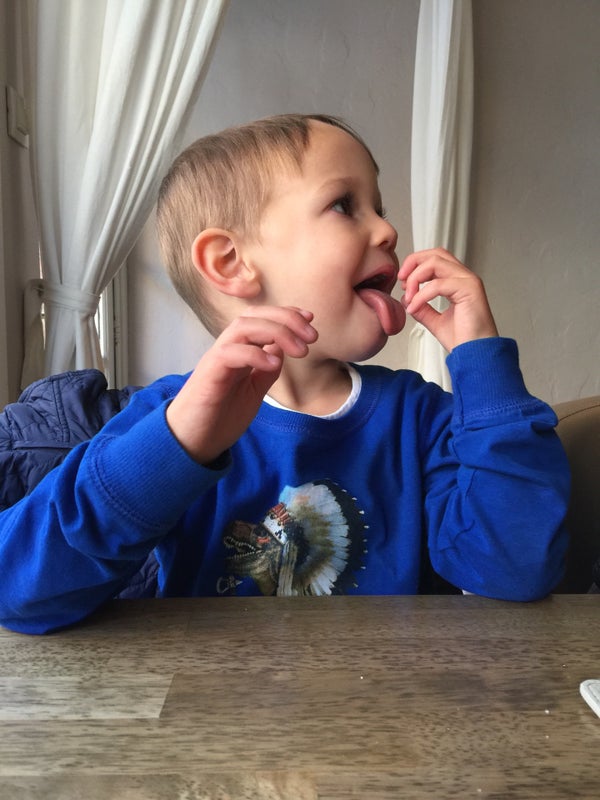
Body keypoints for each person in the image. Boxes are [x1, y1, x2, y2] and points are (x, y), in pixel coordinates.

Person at [0, 114, 569, 634]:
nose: (387, 231)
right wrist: (173, 447)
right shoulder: (168, 420)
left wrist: (483, 362)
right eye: (345, 205)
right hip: (208, 709)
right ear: (231, 263)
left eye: (381, 208)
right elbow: (20, 591)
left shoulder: (419, 418)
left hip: (389, 707)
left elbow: (515, 569)